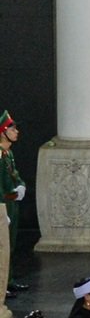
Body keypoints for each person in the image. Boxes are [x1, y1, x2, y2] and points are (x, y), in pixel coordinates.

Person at [0, 108, 23, 295]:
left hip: (11, 203)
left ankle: (9, 279)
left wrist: (20, 186)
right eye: (12, 129)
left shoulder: (9, 154)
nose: (16, 132)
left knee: (11, 245)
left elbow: (15, 176)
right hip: (3, 204)